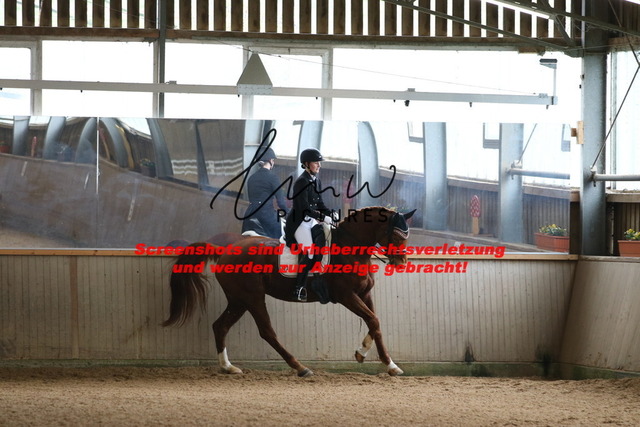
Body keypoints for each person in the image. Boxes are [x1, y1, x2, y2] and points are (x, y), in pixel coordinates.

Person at [284, 148, 335, 301]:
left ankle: (318, 277)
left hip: (310, 221)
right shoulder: (301, 182)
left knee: (323, 240)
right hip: (299, 222)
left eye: (319, 163)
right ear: (306, 164)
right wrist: (322, 217)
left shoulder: (316, 181)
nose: (319, 165)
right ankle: (299, 288)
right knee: (310, 252)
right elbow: (304, 208)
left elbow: (320, 203)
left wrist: (330, 214)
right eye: (316, 162)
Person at [242, 147, 288, 239]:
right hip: (266, 216)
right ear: (270, 160)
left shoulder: (251, 178)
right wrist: (289, 213)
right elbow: (281, 203)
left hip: (250, 215)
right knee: (282, 238)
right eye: (273, 160)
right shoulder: (273, 178)